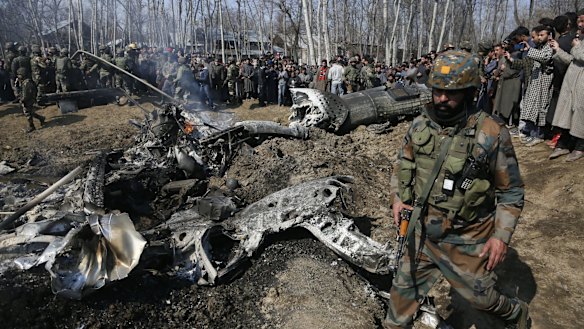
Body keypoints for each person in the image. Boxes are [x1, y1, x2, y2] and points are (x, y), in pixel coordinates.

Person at [386, 50, 529, 329]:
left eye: (451, 94)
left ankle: (515, 313)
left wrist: (500, 237)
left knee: (481, 300)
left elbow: (511, 193)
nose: (442, 99)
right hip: (421, 234)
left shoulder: (491, 132)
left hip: (467, 237)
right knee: (396, 314)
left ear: (470, 92)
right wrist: (397, 199)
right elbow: (401, 167)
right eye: (438, 91)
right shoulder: (419, 125)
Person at [548, 10, 584, 161]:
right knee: (566, 111)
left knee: (580, 112)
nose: (580, 24)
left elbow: (581, 55)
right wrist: (558, 50)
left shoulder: (577, 41)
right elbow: (572, 60)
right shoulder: (579, 37)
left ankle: (580, 147)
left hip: (581, 81)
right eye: (579, 21)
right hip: (571, 80)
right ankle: (563, 144)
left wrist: (576, 47)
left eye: (583, 21)